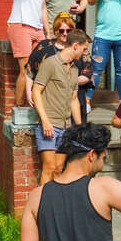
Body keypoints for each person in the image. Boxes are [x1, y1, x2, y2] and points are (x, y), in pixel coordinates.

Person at [31, 29, 88, 184]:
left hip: (66, 126)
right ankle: (43, 200)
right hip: (49, 124)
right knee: (48, 168)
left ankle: (55, 199)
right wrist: (45, 121)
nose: (84, 53)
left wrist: (79, 127)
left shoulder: (75, 69)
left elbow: (74, 99)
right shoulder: (50, 63)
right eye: (83, 49)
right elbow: (36, 91)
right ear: (75, 45)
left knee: (58, 168)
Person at [26, 11, 93, 121]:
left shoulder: (81, 49)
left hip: (75, 98)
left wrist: (62, 82)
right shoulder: (44, 47)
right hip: (51, 102)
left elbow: (87, 74)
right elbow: (29, 70)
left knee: (78, 130)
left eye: (68, 30)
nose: (65, 34)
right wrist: (29, 92)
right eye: (61, 30)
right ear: (55, 30)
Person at [9, 0, 49, 106]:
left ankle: (34, 105)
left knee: (40, 68)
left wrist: (48, 32)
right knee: (25, 70)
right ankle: (19, 108)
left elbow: (43, 7)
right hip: (21, 25)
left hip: (38, 29)